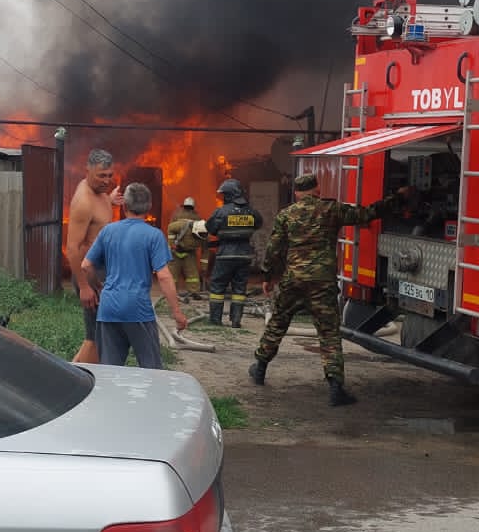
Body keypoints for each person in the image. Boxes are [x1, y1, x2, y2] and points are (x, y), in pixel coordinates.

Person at [248, 171, 406, 405]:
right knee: (329, 332)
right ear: (317, 190)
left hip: (293, 280)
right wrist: (398, 198)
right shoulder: (331, 210)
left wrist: (269, 276)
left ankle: (260, 368)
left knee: (278, 323)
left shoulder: (286, 214)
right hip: (322, 282)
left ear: (297, 193)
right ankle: (335, 387)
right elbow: (367, 213)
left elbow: (274, 249)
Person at [82, 182, 188, 368]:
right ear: (149, 207)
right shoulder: (154, 235)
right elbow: (163, 276)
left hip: (108, 310)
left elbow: (86, 265)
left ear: (124, 206)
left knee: (110, 371)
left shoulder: (108, 231)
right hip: (138, 310)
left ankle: (112, 398)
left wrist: (97, 286)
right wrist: (177, 312)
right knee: (151, 371)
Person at [67, 148, 122, 365]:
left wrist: (110, 200)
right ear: (87, 170)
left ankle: (81, 376)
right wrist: (84, 287)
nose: (106, 180)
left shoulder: (99, 194)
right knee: (94, 338)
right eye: (101, 175)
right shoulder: (84, 202)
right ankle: (74, 380)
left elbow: (97, 219)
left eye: (109, 175)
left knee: (101, 333)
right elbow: (72, 248)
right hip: (89, 273)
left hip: (100, 271)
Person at [205, 178, 263, 327]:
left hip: (225, 254)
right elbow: (259, 223)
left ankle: (215, 320)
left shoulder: (221, 212)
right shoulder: (251, 211)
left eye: (224, 195)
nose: (223, 197)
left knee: (217, 287)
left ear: (230, 195)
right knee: (239, 288)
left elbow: (210, 228)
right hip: (244, 255)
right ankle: (236, 320)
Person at [167, 196, 205, 298]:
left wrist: (172, 245)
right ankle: (194, 292)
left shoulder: (176, 214)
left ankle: (171, 292)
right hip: (189, 251)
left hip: (177, 250)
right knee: (192, 274)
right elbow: (203, 239)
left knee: (173, 274)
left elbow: (170, 228)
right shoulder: (198, 217)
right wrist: (204, 267)